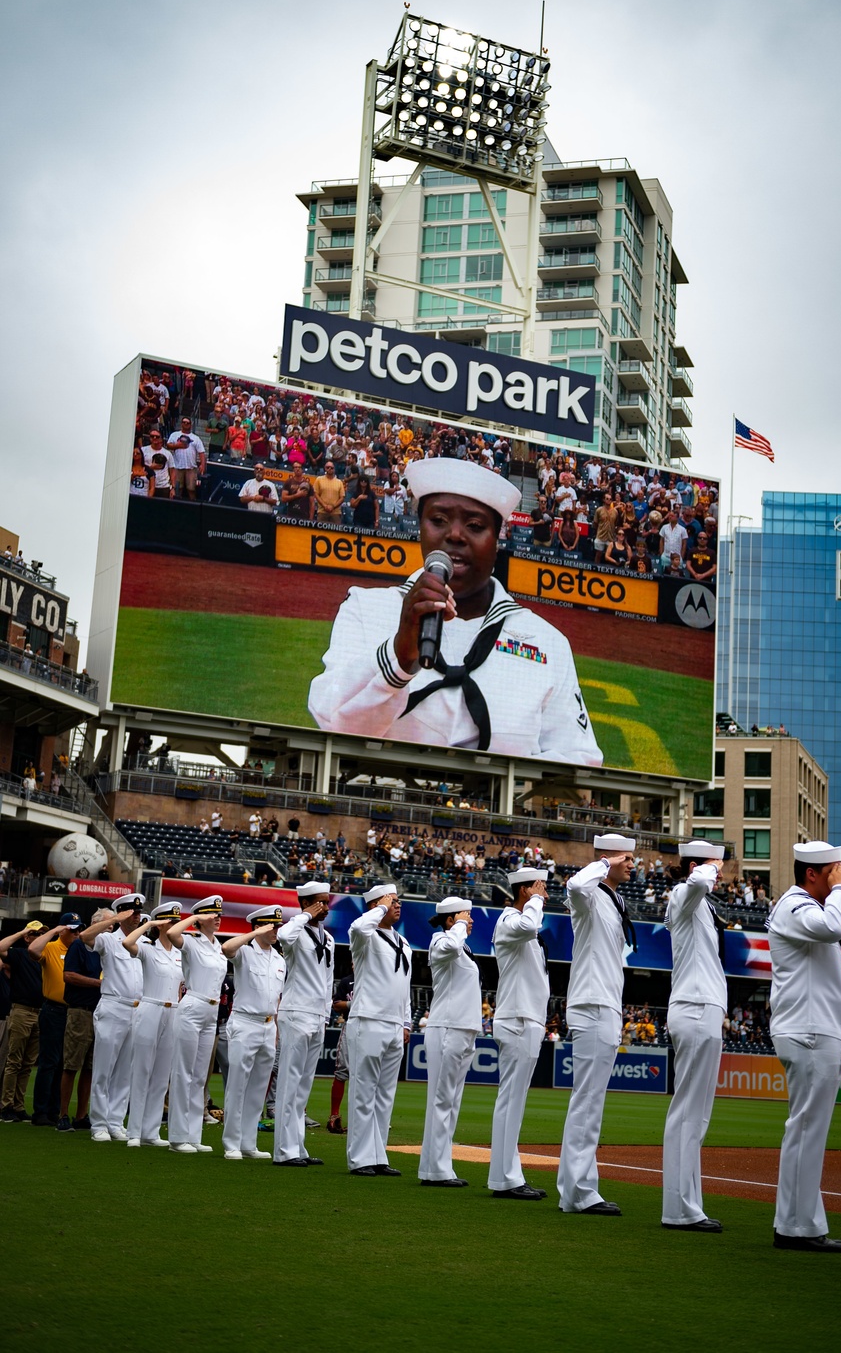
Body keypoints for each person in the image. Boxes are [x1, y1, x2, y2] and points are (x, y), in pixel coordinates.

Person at [308, 458, 602, 766]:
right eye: (438, 520)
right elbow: (332, 723)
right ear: (420, 528)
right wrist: (397, 657)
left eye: (475, 526)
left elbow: (578, 759)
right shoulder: (367, 608)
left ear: (498, 538)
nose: (456, 536)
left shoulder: (547, 642)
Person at [767, 841, 841, 1253]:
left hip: (816, 1029)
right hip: (808, 1030)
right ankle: (794, 1227)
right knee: (806, 1129)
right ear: (811, 874)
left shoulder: (807, 906)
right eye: (833, 870)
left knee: (809, 1131)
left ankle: (803, 1222)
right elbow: (834, 928)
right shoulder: (796, 905)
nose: (840, 874)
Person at [557, 834, 637, 1217]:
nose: (633, 863)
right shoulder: (588, 895)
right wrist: (604, 863)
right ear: (606, 858)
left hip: (608, 1003)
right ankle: (577, 1191)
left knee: (593, 1102)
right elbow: (574, 884)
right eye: (626, 857)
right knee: (587, 1101)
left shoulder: (615, 899)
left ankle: (581, 1187)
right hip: (591, 1004)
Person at [661, 841, 728, 1232]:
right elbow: (698, 880)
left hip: (702, 1008)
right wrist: (708, 866)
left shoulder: (697, 902)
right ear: (693, 866)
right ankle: (681, 1209)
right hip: (695, 1008)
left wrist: (709, 866)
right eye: (714, 866)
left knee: (695, 1113)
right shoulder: (683, 895)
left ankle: (687, 1205)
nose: (719, 873)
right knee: (689, 1112)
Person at [487, 866, 550, 1201]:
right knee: (511, 1101)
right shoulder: (511, 920)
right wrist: (535, 901)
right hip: (517, 1020)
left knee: (515, 1101)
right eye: (539, 886)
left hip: (527, 1018)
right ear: (525, 890)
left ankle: (508, 1175)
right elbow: (529, 925)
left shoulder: (521, 922)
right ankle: (505, 1178)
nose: (544, 891)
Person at [345, 882, 412, 1177]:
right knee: (363, 1092)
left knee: (385, 1095)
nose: (397, 905)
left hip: (394, 1023)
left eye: (397, 900)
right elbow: (358, 928)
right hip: (368, 1020)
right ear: (376, 906)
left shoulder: (404, 942)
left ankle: (378, 1154)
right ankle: (360, 1158)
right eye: (391, 901)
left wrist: (406, 1021)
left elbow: (403, 986)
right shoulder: (365, 936)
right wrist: (380, 906)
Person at [418, 897, 482, 1188]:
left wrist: (459, 926)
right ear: (450, 920)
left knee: (451, 1102)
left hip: (462, 1028)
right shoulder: (440, 941)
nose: (469, 920)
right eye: (464, 916)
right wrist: (457, 927)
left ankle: (440, 1166)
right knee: (442, 1100)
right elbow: (450, 946)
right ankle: (435, 1169)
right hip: (447, 1027)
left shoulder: (462, 947)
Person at [273, 880, 335, 1167]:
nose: (326, 906)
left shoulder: (329, 938)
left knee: (303, 1086)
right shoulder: (295, 931)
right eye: (321, 901)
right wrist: (305, 914)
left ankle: (298, 1147)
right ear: (307, 903)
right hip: (296, 1011)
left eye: (327, 901)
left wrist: (326, 1012)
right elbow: (283, 934)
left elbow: (328, 979)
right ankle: (284, 1151)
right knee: (289, 1082)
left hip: (317, 1015)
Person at [221, 905, 287, 1162]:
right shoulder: (245, 953)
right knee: (237, 1085)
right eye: (271, 926)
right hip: (245, 1023)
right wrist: (253, 933)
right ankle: (231, 1143)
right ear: (259, 926)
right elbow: (226, 949)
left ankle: (249, 1142)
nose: (275, 931)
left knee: (259, 1088)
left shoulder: (280, 959)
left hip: (268, 1025)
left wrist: (277, 1027)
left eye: (277, 926)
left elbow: (277, 998)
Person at [80, 894, 147, 1141]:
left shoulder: (143, 942)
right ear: (122, 914)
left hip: (137, 1009)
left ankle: (115, 1122)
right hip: (113, 1006)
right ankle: (98, 1123)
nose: (137, 917)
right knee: (104, 1068)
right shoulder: (108, 939)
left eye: (139, 914)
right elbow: (85, 937)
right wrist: (115, 919)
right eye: (132, 913)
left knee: (125, 1071)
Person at [165, 895, 228, 1154]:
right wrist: (193, 918)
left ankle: (194, 1134)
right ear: (201, 919)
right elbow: (171, 932)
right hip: (192, 1005)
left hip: (212, 1011)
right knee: (184, 1072)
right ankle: (178, 1137)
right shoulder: (191, 942)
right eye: (212, 914)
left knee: (200, 1076)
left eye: (218, 914)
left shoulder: (218, 947)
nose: (217, 917)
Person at [122, 899, 184, 1148]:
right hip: (151, 1008)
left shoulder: (181, 953)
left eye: (175, 922)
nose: (173, 925)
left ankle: (151, 1130)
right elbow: (127, 943)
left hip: (174, 1011)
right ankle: (134, 1131)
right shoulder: (148, 947)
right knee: (142, 1070)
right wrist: (150, 923)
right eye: (169, 921)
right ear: (160, 924)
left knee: (161, 1075)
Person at [26, 914, 84, 1125]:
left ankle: (54, 1110)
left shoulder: (78, 951)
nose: (77, 934)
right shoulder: (51, 947)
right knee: (49, 1062)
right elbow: (33, 950)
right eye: (73, 930)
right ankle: (40, 1111)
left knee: (63, 1063)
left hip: (73, 1012)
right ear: (63, 931)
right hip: (53, 1010)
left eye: (79, 931)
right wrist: (53, 931)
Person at [59, 923, 103, 1132]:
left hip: (101, 1012)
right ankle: (63, 1115)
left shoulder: (106, 948)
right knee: (72, 1064)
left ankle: (81, 1115)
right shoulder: (78, 946)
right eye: (107, 927)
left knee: (90, 1067)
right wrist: (98, 983)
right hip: (81, 1011)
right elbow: (68, 975)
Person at [0, 922, 45, 1122]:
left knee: (27, 1063)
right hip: (21, 1011)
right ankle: (6, 1105)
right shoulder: (19, 954)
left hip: (39, 1012)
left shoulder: (44, 956)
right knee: (14, 1060)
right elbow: (1, 947)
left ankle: (18, 1105)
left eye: (41, 933)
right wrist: (21, 932)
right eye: (35, 934)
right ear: (28, 937)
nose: (39, 937)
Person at [326, 968, 354, 1135]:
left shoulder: (379, 976)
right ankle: (334, 1115)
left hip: (372, 1027)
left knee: (368, 1076)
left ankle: (366, 1118)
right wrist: (354, 1003)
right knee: (342, 1071)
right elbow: (337, 1005)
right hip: (351, 1024)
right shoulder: (347, 981)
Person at [166, 416, 207, 499]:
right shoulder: (174, 435)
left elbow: (202, 452)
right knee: (178, 489)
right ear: (181, 424)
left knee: (191, 489)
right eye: (184, 422)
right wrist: (177, 445)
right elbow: (168, 445)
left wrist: (203, 465)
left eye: (188, 423)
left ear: (191, 425)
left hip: (191, 468)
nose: (186, 424)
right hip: (177, 466)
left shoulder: (196, 438)